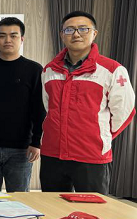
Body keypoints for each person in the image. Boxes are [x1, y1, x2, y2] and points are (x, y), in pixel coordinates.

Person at [40, 11, 135, 194]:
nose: (76, 34)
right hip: (52, 153)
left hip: (91, 155)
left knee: (92, 208)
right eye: (69, 30)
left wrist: (100, 135)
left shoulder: (112, 70)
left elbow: (124, 111)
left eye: (83, 29)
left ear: (94, 33)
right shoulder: (49, 70)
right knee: (52, 206)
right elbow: (48, 106)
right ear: (62, 35)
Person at [0, 17, 44, 192]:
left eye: (13, 35)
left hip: (21, 149)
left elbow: (39, 109)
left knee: (19, 199)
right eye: (2, 35)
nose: (7, 40)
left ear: (22, 39)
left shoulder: (34, 70)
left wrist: (36, 142)